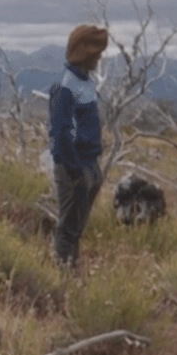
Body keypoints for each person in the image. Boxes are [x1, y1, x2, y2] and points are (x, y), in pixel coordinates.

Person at [49, 24, 109, 270]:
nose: (99, 57)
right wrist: (76, 173)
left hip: (89, 164)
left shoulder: (85, 82)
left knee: (76, 228)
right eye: (96, 52)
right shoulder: (64, 87)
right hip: (74, 168)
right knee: (67, 229)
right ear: (85, 52)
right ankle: (62, 277)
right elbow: (60, 135)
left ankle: (71, 273)